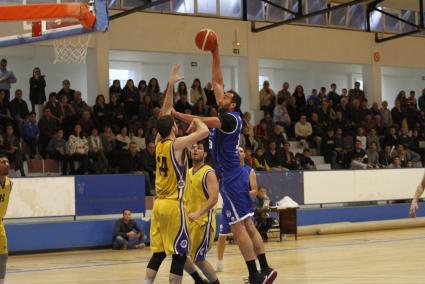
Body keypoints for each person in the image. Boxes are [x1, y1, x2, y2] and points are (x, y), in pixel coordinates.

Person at [174, 45, 276, 283]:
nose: (222, 96)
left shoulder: (229, 119)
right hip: (234, 175)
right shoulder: (230, 113)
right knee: (248, 225)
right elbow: (218, 81)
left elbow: (201, 120)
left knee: (239, 228)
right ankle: (265, 269)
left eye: (227, 97)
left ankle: (255, 275)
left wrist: (177, 114)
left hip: (230, 177)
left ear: (233, 104)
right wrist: (215, 52)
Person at [144, 64, 210, 284]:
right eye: (175, 123)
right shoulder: (178, 145)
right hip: (174, 205)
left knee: (160, 252)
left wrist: (170, 85)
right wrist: (194, 119)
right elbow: (205, 131)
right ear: (174, 127)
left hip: (158, 205)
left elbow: (164, 114)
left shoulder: (158, 143)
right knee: (180, 254)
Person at [216, 147, 258, 272]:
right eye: (236, 151)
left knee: (249, 234)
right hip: (228, 207)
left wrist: (244, 193)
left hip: (243, 206)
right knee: (222, 235)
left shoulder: (249, 171)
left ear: (244, 154)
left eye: (240, 151)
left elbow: (255, 191)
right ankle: (219, 262)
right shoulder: (226, 169)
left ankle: (256, 262)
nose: (238, 152)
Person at [183, 141, 220, 284]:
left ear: (205, 154)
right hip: (188, 221)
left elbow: (214, 197)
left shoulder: (208, 172)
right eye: (193, 148)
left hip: (203, 221)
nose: (195, 150)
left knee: (199, 259)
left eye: (199, 148)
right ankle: (199, 280)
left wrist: (199, 213)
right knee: (179, 256)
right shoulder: (187, 172)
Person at [0, 154, 12, 283]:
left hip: (0, 224)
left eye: (7, 162)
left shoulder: (10, 184)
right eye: (3, 162)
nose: (6, 164)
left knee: (3, 256)